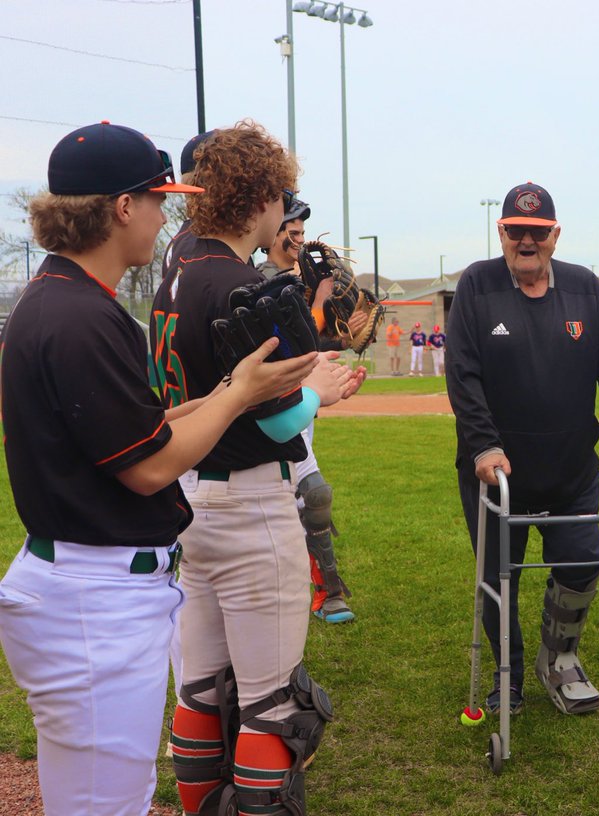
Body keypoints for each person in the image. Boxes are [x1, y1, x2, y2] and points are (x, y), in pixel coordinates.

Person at [0, 122, 317, 816]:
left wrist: (211, 400)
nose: (162, 214)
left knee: (110, 786)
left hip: (92, 582)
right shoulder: (80, 315)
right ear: (120, 207)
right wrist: (240, 393)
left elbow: (136, 430)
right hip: (94, 598)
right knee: (107, 803)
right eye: (154, 199)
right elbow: (147, 467)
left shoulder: (61, 300)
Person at [153, 121, 361, 816]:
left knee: (202, 690)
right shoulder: (244, 284)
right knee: (275, 705)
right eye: (284, 194)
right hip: (250, 504)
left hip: (189, 495)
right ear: (263, 195)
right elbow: (275, 420)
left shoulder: (175, 270)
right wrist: (319, 393)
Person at [446, 182, 599, 716]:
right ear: (501, 232)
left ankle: (559, 656)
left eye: (538, 232)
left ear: (554, 235)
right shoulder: (476, 286)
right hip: (495, 471)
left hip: (569, 467)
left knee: (583, 557)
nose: (527, 241)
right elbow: (463, 376)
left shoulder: (585, 289)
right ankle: (509, 677)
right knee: (499, 576)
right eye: (516, 231)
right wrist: (482, 446)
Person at [258, 197, 360, 626]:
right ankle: (324, 591)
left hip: (298, 404)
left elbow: (312, 346)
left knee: (306, 499)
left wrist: (342, 339)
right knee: (310, 496)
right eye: (292, 233)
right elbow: (287, 345)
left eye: (302, 233)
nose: (300, 241)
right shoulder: (262, 281)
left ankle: (318, 589)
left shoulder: (296, 280)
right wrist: (317, 303)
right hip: (270, 411)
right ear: (270, 234)